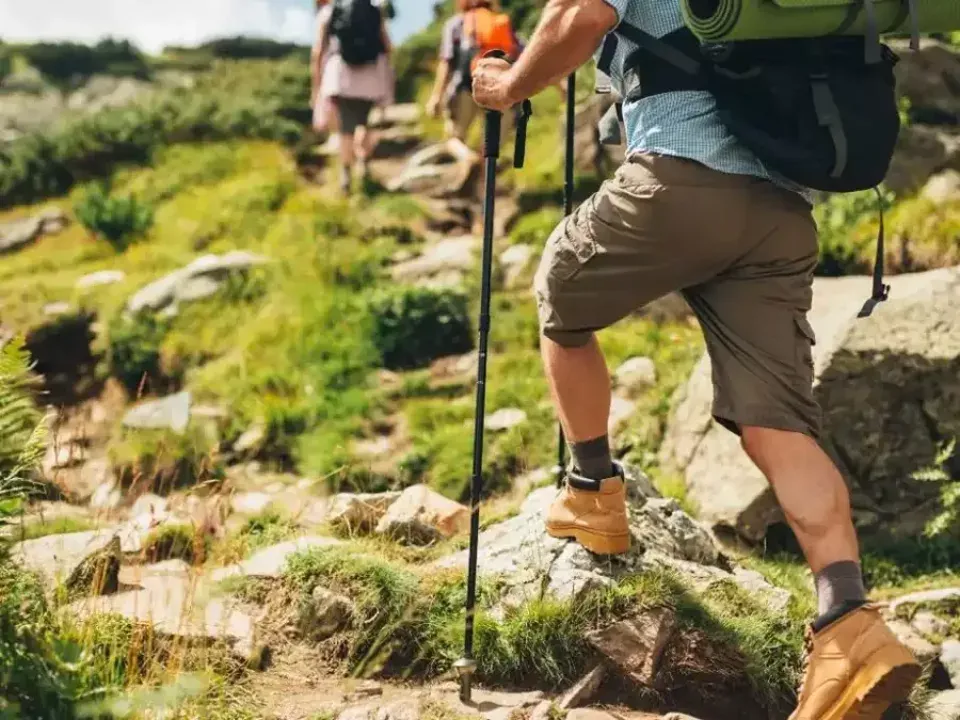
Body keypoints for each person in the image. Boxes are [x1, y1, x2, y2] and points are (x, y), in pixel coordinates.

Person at [471, 1, 922, 719]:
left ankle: (592, 490)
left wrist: (507, 86)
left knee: (560, 290)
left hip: (682, 179)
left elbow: (580, 15)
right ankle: (850, 623)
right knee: (776, 422)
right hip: (778, 211)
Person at [312, 0, 395, 193]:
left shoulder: (330, 11)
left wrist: (316, 85)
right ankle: (363, 164)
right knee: (363, 123)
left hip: (341, 76)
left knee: (346, 128)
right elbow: (387, 46)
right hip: (370, 76)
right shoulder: (374, 10)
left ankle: (346, 175)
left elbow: (318, 51)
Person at [426, 0, 524, 159]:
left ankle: (468, 159)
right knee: (490, 146)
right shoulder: (501, 22)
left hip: (465, 86)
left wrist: (436, 96)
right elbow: (523, 55)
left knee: (454, 139)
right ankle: (481, 170)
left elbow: (447, 63)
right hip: (497, 87)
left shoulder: (456, 24)